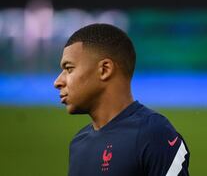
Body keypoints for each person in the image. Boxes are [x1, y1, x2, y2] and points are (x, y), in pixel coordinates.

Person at [54, 23, 190, 176]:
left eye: (69, 68)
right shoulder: (78, 144)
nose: (58, 82)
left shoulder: (153, 133)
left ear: (104, 70)